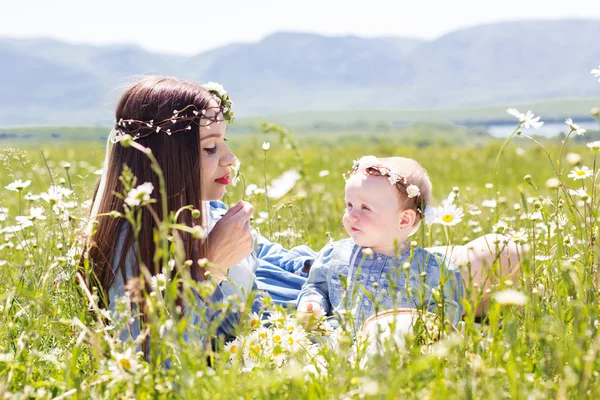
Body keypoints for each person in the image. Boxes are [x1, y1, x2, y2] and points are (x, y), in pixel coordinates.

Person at [83, 76, 518, 348]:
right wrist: (210, 266)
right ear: (167, 156)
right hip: (306, 330)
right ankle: (448, 325)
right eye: (211, 148)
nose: (230, 160)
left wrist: (336, 263)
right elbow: (151, 357)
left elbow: (275, 256)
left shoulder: (208, 209)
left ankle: (455, 316)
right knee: (394, 337)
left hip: (339, 285)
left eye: (226, 143)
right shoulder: (132, 241)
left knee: (504, 251)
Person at [296, 156, 463, 329]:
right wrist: (311, 303)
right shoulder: (335, 254)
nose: (351, 215)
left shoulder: (429, 269)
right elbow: (316, 287)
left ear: (404, 220)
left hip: (395, 351)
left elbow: (444, 315)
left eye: (365, 208)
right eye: (349, 205)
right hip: (334, 344)